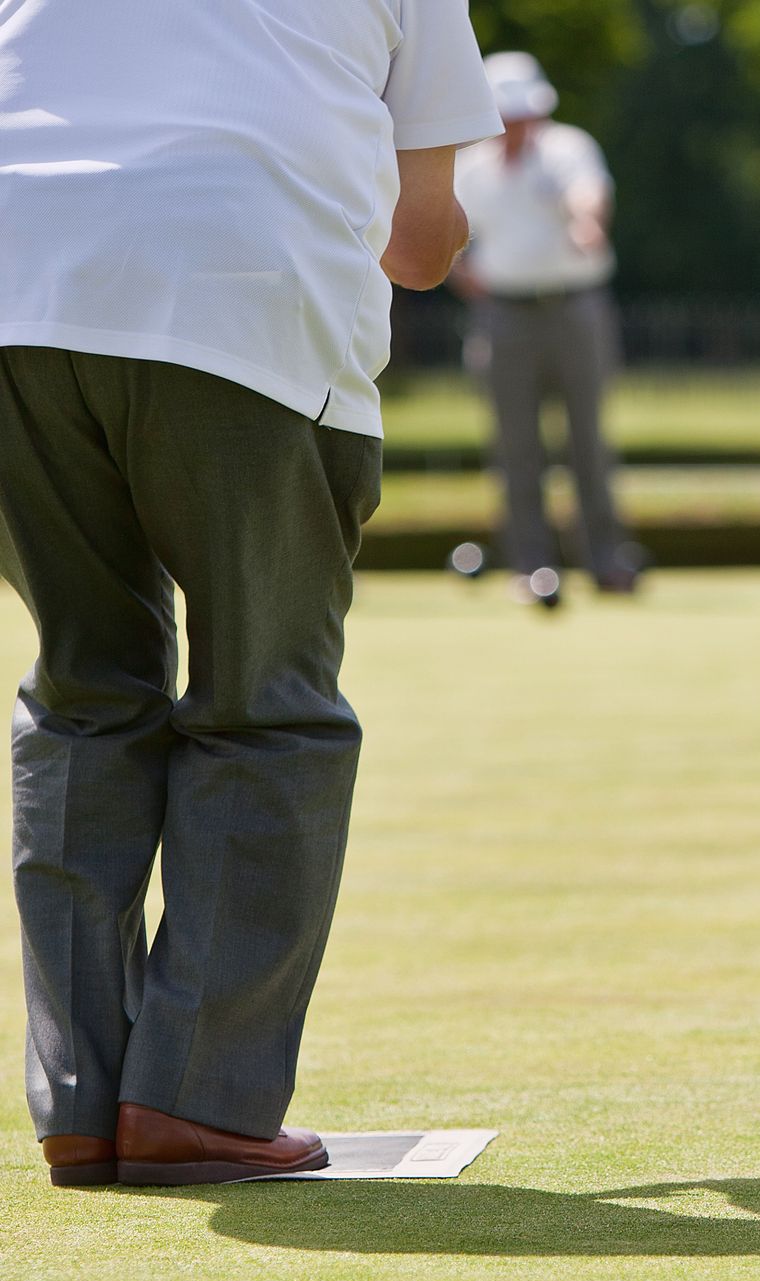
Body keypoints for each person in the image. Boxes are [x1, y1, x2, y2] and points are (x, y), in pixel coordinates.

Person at [0, 0, 500, 1187]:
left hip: (11, 293)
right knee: (269, 703)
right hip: (233, 285)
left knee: (84, 690)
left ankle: (78, 1101)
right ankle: (197, 1103)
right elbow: (420, 247)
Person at [454, 53, 637, 597]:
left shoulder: (568, 148)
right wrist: (468, 280)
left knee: (588, 438)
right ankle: (531, 566)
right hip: (503, 315)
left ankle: (606, 560)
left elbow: (589, 195)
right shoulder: (471, 167)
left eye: (524, 113)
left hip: (574, 307)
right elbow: (449, 234)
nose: (517, 124)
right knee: (515, 445)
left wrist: (586, 222)